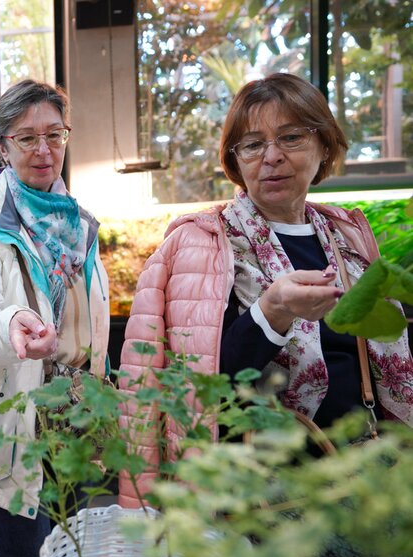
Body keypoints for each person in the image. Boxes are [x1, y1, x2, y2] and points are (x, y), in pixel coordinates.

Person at [118, 72, 413, 510]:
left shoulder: (346, 236)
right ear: (235, 162)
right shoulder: (205, 243)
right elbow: (199, 386)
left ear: (324, 146)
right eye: (253, 145)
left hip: (364, 478)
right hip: (264, 494)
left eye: (291, 137)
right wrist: (270, 311)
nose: (271, 157)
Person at [0, 79, 110, 557]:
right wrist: (10, 325)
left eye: (55, 135)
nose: (43, 150)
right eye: (26, 138)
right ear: (3, 145)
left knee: (79, 550)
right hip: (18, 433)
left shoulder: (82, 225)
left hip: (80, 427)